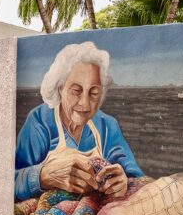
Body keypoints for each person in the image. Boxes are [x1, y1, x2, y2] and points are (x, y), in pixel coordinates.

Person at [15, 41, 143, 201]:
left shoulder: (107, 126)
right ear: (60, 88)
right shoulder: (40, 121)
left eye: (94, 92)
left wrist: (124, 181)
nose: (85, 103)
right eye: (76, 91)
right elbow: (10, 180)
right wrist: (44, 175)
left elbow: (136, 177)